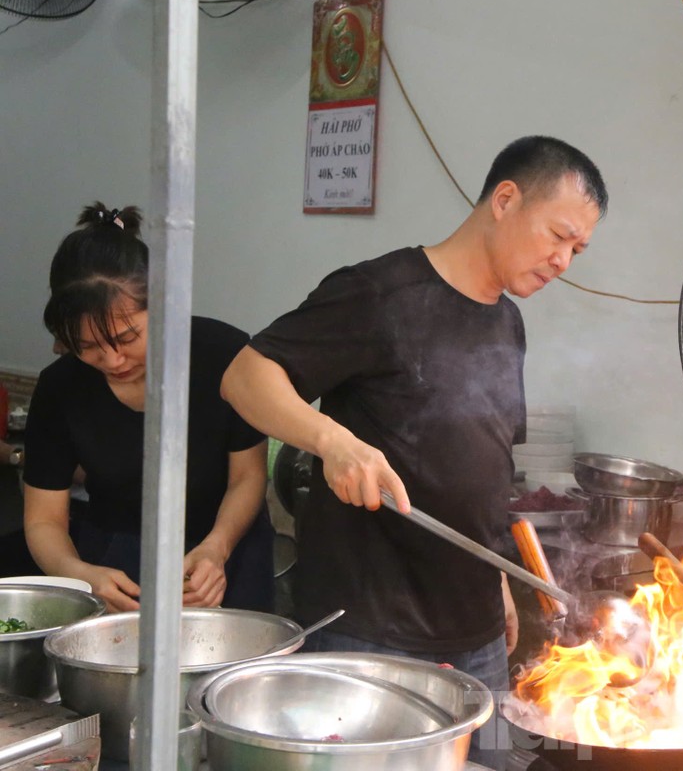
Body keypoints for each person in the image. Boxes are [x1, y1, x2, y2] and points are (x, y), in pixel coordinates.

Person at [220, 135, 606, 768]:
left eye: (578, 250)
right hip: (371, 635)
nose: (564, 260)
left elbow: (485, 467)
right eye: (559, 235)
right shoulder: (380, 294)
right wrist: (333, 441)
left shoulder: (507, 322)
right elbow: (244, 376)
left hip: (477, 637)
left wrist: (498, 582)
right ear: (505, 200)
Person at [22, 203, 274, 613]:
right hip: (113, 563)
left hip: (226, 554)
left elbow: (247, 477)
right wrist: (79, 574)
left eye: (127, 337)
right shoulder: (60, 387)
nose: (113, 360)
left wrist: (217, 548)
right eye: (87, 347)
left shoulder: (223, 355)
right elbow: (42, 519)